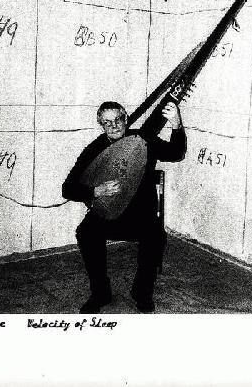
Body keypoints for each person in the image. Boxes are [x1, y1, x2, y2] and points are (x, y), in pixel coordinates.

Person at [62, 101, 186, 313]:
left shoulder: (144, 139)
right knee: (86, 232)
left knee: (156, 237)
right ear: (101, 124)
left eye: (118, 119)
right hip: (109, 214)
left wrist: (176, 124)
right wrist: (96, 191)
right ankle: (100, 293)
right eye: (107, 122)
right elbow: (68, 188)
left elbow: (176, 153)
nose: (114, 126)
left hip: (141, 215)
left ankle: (142, 293)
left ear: (126, 119)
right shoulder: (95, 149)